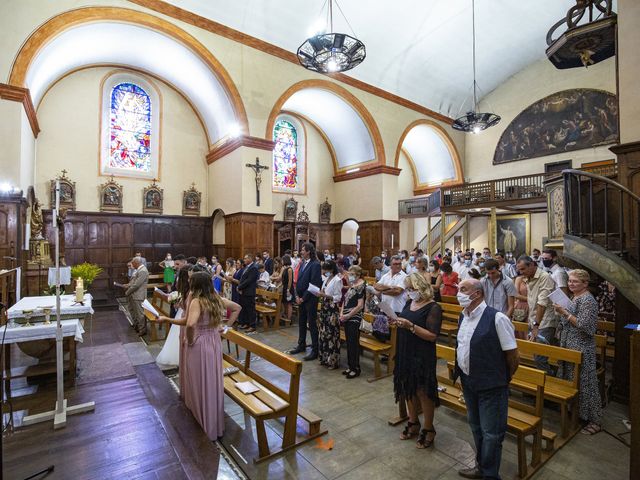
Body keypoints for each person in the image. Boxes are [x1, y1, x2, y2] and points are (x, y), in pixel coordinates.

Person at [157, 271, 240, 440]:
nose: (188, 282)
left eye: (191, 281)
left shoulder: (196, 301)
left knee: (198, 381)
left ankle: (201, 423)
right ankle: (212, 423)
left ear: (196, 285)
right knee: (211, 380)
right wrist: (226, 328)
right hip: (213, 341)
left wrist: (190, 340)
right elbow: (237, 308)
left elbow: (190, 323)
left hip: (200, 343)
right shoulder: (215, 298)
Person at [454, 279, 519, 480]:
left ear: (478, 294)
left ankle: (490, 475)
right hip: (469, 382)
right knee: (476, 427)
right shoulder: (463, 316)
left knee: (492, 434)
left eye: (463, 289)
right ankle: (481, 467)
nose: (459, 293)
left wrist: (501, 380)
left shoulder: (497, 318)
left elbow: (512, 356)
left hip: (492, 385)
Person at [394, 273, 442, 449]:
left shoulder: (433, 307)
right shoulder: (409, 302)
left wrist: (411, 326)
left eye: (411, 289)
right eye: (407, 289)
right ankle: (413, 422)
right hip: (405, 350)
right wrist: (399, 323)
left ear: (421, 287)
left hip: (422, 353)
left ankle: (429, 429)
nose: (409, 292)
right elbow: (406, 320)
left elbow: (432, 335)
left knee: (423, 391)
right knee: (408, 387)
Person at [554, 269, 602, 435]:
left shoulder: (588, 300)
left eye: (575, 281)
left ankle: (594, 420)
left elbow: (585, 326)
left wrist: (565, 313)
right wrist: (561, 315)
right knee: (571, 380)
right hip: (569, 343)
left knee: (586, 382)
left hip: (581, 345)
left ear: (585, 284)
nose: (571, 284)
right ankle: (577, 414)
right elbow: (569, 318)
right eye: (570, 281)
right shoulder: (575, 296)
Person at [517, 255, 557, 375]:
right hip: (534, 321)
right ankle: (544, 382)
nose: (521, 272)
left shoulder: (544, 277)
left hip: (544, 323)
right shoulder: (528, 278)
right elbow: (532, 302)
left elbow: (542, 303)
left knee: (540, 357)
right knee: (536, 354)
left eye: (523, 269)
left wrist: (536, 325)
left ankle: (549, 383)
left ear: (532, 265)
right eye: (519, 269)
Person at [290, 242, 322, 360]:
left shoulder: (315, 264)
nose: (301, 252)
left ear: (308, 251)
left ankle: (315, 349)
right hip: (301, 298)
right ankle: (301, 344)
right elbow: (299, 280)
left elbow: (314, 283)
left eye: (303, 250)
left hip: (310, 299)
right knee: (301, 322)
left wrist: (304, 297)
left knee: (312, 324)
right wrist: (297, 296)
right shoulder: (303, 263)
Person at [156, 265, 192, 367]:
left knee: (181, 337)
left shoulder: (190, 290)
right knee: (178, 337)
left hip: (184, 316)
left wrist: (178, 302)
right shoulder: (186, 288)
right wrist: (177, 302)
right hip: (181, 314)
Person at [340, 266, 366, 378]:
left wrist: (348, 315)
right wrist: (341, 313)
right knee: (349, 343)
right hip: (346, 316)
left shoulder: (361, 286)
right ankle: (350, 366)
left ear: (358, 274)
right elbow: (345, 301)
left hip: (354, 317)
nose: (349, 275)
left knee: (353, 343)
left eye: (351, 273)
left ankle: (355, 368)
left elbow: (360, 305)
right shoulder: (353, 285)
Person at [316, 260, 343, 369]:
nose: (324, 271)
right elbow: (324, 290)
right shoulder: (327, 278)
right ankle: (324, 358)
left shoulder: (337, 280)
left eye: (326, 269)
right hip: (324, 308)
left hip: (332, 308)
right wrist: (320, 292)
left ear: (331, 269)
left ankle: (333, 361)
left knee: (331, 335)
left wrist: (325, 295)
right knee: (323, 333)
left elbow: (338, 297)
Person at [125, 256, 149, 336]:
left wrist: (127, 292)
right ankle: (138, 326)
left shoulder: (143, 271)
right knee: (135, 312)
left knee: (140, 314)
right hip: (135, 295)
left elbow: (136, 285)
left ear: (136, 263)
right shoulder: (139, 270)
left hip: (139, 295)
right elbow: (134, 282)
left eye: (133, 263)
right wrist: (128, 285)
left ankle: (142, 330)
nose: (132, 265)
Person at [237, 254, 259, 333]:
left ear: (250, 258)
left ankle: (252, 326)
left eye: (246, 258)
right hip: (244, 291)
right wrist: (240, 286)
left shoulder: (254, 268)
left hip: (249, 292)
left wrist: (240, 287)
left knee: (251, 309)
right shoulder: (247, 267)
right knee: (245, 308)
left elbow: (249, 280)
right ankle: (247, 323)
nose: (244, 260)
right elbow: (243, 278)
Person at [281, 255, 295, 324]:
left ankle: (289, 319)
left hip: (288, 288)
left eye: (283, 260)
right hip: (284, 287)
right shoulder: (284, 268)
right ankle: (285, 316)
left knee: (289, 303)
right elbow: (282, 278)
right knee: (284, 302)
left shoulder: (290, 269)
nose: (282, 261)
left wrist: (288, 290)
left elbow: (290, 280)